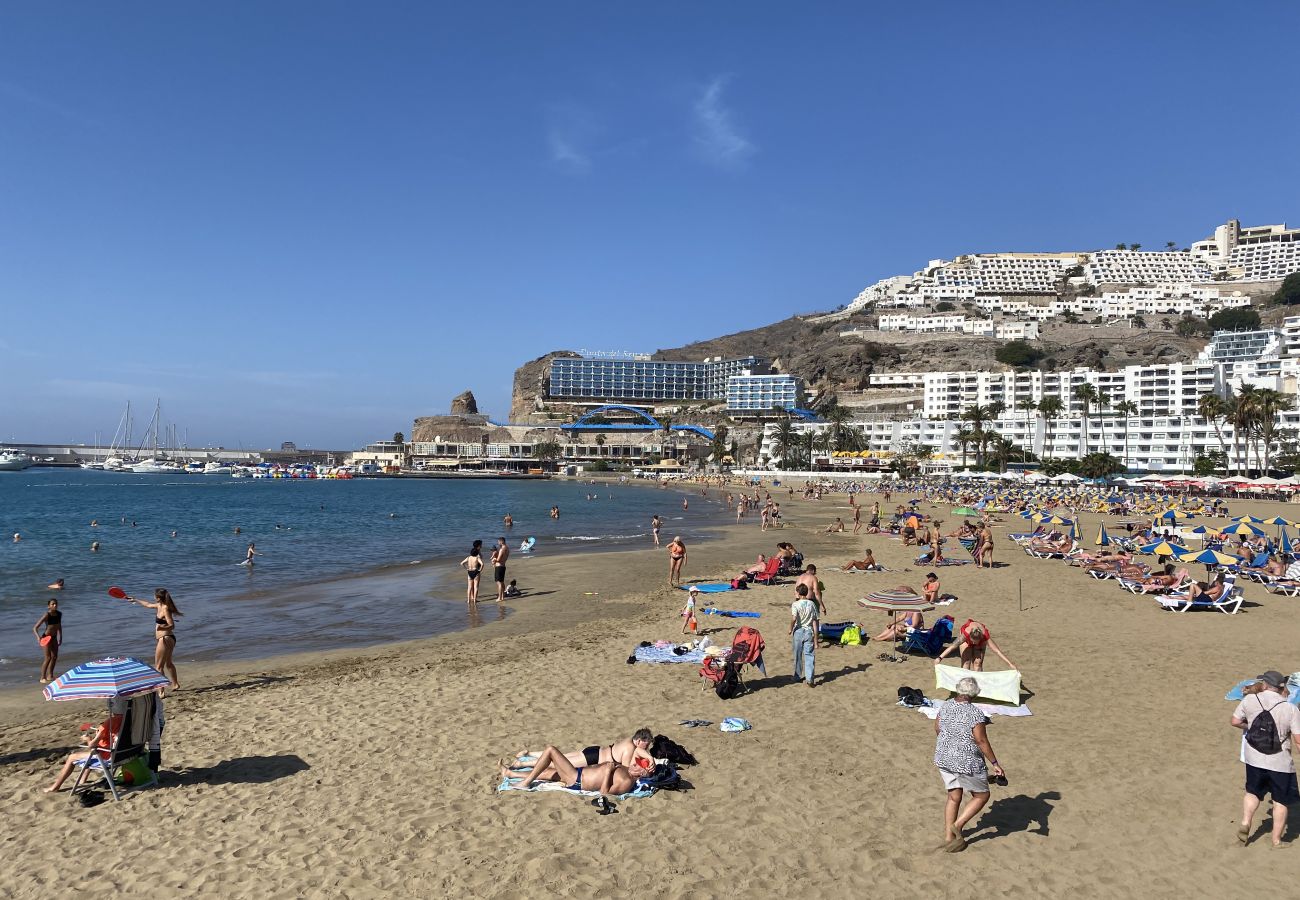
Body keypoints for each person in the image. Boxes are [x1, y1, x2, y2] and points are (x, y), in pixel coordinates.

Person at [933, 676, 1006, 852]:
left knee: (953, 796)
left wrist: (949, 745)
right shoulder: (975, 714)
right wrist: (995, 763)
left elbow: (937, 728)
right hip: (966, 761)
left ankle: (949, 839)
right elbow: (981, 740)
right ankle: (957, 825)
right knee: (982, 795)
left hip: (944, 757)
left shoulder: (946, 705)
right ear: (974, 693)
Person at [1231, 670, 1300, 848]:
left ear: (1264, 685)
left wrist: (1250, 725)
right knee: (1281, 801)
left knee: (1252, 793)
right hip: (1280, 762)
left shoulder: (1249, 700)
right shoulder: (1290, 708)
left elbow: (1235, 721)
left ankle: (1245, 824)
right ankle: (1276, 841)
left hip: (1254, 758)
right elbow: (1298, 740)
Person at [44, 699, 127, 792]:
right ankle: (83, 779)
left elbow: (92, 745)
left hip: (109, 756)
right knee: (94, 751)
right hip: (126, 753)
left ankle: (55, 786)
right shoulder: (130, 719)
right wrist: (101, 734)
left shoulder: (110, 722)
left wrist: (87, 739)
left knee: (72, 757)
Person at [505, 746, 648, 795]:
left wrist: (607, 772)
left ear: (641, 773)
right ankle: (511, 773)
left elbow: (604, 793)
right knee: (547, 773)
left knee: (551, 751)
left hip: (577, 780)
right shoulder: (627, 769)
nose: (633, 765)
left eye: (637, 766)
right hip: (579, 772)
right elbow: (637, 750)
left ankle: (526, 783)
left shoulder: (626, 781)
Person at [515, 728, 655, 772]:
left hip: (594, 750)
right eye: (646, 745)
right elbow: (625, 769)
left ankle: (529, 753)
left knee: (561, 756)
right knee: (556, 763)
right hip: (592, 758)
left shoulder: (629, 740)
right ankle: (523, 764)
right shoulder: (630, 748)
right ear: (639, 741)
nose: (646, 748)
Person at [128, 588, 182, 688]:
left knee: (158, 667)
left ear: (158, 598)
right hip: (169, 638)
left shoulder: (165, 608)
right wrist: (135, 600)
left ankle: (161, 691)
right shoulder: (159, 606)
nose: (153, 597)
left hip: (164, 638)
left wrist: (162, 627)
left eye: (154, 595)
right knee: (168, 663)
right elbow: (148, 604)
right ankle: (175, 684)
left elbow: (172, 625)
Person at [934, 620, 1017, 672]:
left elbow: (997, 651)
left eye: (975, 642)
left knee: (978, 663)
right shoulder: (965, 635)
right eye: (973, 642)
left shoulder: (985, 636)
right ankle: (965, 685)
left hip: (980, 642)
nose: (973, 644)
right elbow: (952, 646)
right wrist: (939, 658)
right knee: (966, 662)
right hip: (967, 640)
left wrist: (1010, 664)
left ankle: (978, 685)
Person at [789, 583, 819, 687]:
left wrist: (790, 629)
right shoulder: (812, 604)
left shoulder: (795, 604)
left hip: (799, 631)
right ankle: (810, 678)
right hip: (809, 631)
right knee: (809, 655)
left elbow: (794, 618)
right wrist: (816, 640)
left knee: (797, 654)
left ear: (798, 593)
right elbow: (815, 622)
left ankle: (797, 675)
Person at [33, 598, 62, 683]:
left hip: (54, 638)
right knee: (48, 657)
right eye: (52, 604)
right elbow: (35, 628)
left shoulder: (59, 614)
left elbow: (59, 626)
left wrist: (60, 637)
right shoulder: (47, 615)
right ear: (48, 606)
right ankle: (42, 677)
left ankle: (50, 676)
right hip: (46, 638)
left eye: (56, 604)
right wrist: (38, 637)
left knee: (55, 657)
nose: (55, 605)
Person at [492, 537, 510, 603]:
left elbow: (499, 559)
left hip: (499, 566)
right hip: (503, 566)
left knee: (498, 582)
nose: (498, 543)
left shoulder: (502, 549)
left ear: (501, 542)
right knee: (502, 582)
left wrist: (494, 559)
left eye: (498, 542)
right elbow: (504, 557)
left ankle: (499, 597)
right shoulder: (507, 548)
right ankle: (502, 597)